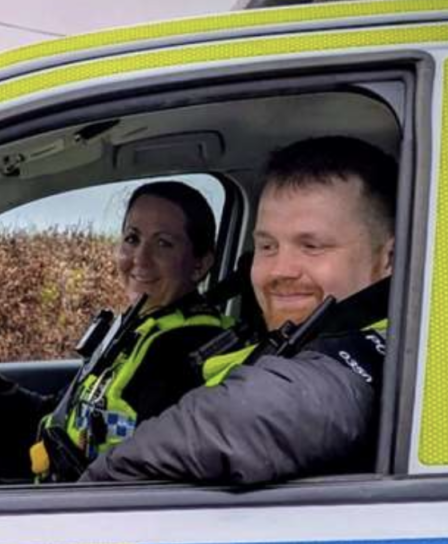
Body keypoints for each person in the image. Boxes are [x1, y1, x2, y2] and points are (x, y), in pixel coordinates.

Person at [80, 135, 396, 484]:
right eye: (267, 246)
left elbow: (288, 407)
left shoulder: (376, 356)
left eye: (312, 246)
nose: (279, 271)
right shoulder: (290, 341)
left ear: (389, 259)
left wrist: (82, 498)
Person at [0, 181, 230, 481]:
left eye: (163, 243)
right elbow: (54, 416)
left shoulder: (188, 353)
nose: (140, 259)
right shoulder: (137, 330)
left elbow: (148, 480)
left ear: (200, 264)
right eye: (132, 238)